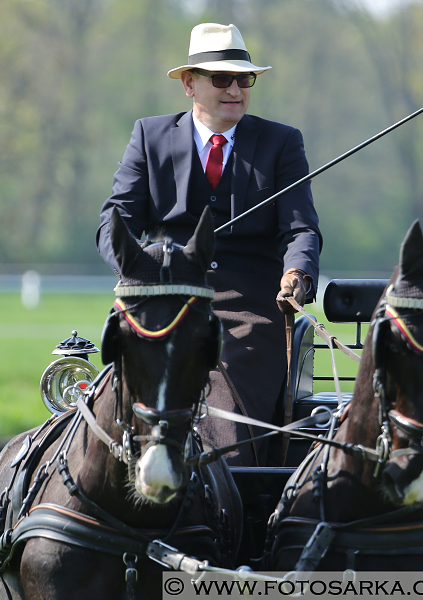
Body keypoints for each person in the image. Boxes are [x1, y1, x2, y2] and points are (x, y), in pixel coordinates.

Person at [96, 23, 321, 466]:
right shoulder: (149, 136)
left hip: (248, 310)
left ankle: (224, 481)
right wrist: (134, 268)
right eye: (221, 79)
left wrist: (297, 272)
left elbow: (300, 229)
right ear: (189, 84)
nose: (235, 88)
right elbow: (114, 219)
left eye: (244, 79)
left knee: (229, 404)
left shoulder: (281, 143)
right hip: (162, 297)